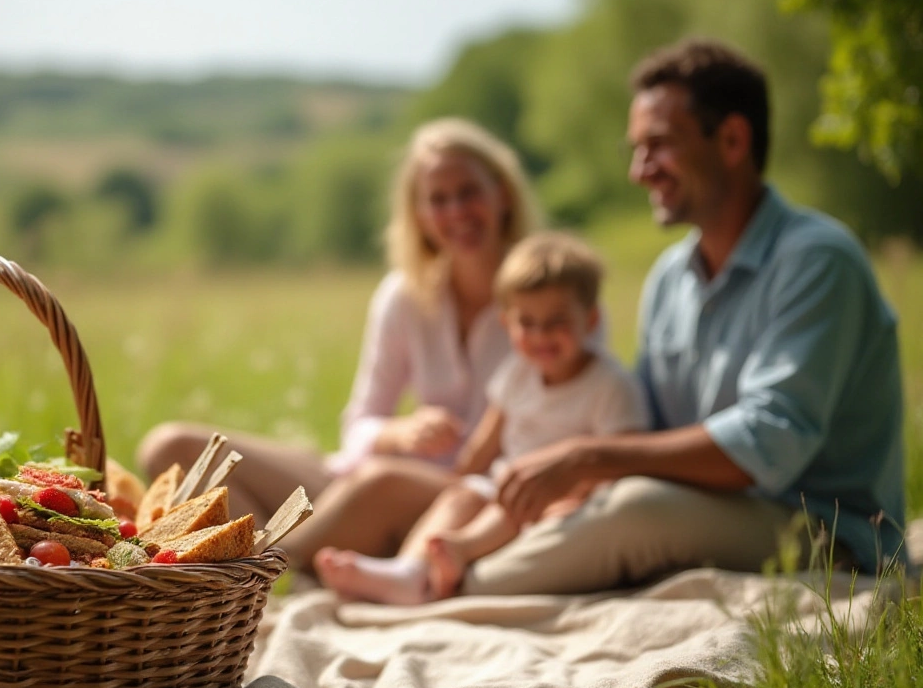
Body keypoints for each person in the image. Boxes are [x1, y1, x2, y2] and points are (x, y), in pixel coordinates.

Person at [290, 38, 907, 596]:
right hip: (699, 507)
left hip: (826, 531)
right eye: (636, 150)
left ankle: (446, 587)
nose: (640, 171)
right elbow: (650, 430)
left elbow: (769, 443)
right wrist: (576, 475)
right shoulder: (671, 277)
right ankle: (419, 567)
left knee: (631, 508)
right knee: (592, 499)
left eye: (659, 146)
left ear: (733, 141)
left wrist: (591, 458)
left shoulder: (816, 261)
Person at [136, 118, 547, 567]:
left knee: (380, 482)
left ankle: (269, 567)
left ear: (502, 193)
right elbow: (360, 425)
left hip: (471, 501)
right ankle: (279, 553)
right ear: (420, 216)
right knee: (169, 447)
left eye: (468, 192)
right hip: (359, 485)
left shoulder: (548, 293)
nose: (456, 212)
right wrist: (399, 432)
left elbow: (574, 413)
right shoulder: (404, 296)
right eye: (438, 199)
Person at [313, 232, 650, 604]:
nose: (541, 336)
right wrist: (461, 478)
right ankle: (408, 570)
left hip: (568, 500)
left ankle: (454, 553)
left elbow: (622, 459)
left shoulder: (610, 385)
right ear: (508, 324)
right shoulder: (518, 374)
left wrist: (579, 496)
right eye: (528, 323)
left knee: (511, 507)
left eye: (556, 322)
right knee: (462, 497)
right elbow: (486, 442)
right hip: (507, 485)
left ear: (590, 319)